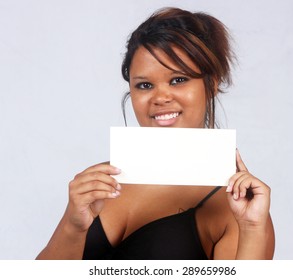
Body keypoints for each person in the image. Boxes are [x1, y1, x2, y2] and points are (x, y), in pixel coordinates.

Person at [36, 7, 275, 260]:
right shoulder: (101, 180)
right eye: (145, 85)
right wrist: (73, 226)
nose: (160, 97)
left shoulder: (238, 207)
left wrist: (252, 229)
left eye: (178, 80)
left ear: (211, 84)